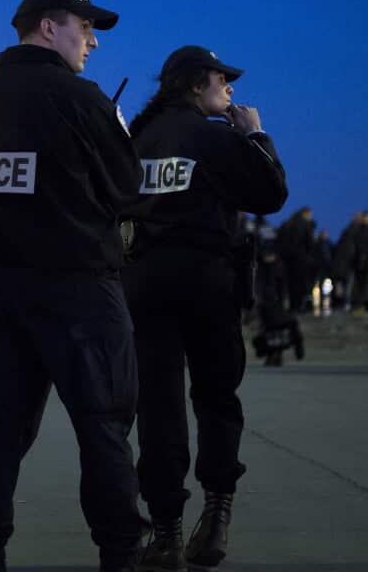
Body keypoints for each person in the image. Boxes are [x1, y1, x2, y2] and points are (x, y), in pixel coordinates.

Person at [0, 0, 143, 572]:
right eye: (85, 28)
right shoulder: (80, 99)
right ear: (48, 27)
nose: (93, 43)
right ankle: (120, 554)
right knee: (104, 431)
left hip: (3, 293)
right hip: (79, 290)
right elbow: (127, 189)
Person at [122, 45, 287, 570]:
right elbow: (270, 193)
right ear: (197, 85)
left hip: (146, 280)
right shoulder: (215, 137)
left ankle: (166, 529)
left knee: (158, 406)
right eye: (223, 80)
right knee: (216, 397)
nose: (230, 89)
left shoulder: (139, 139)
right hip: (209, 279)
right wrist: (255, 134)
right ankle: (216, 515)